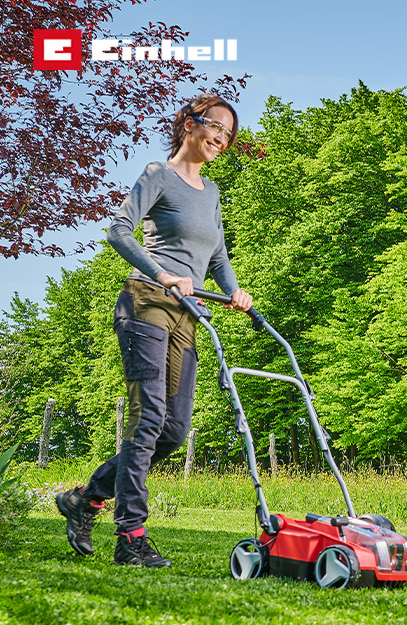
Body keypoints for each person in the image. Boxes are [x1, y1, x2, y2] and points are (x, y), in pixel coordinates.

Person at [54, 94, 254, 567]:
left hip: (188, 313)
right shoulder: (156, 175)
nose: (222, 138)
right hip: (147, 301)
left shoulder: (212, 192)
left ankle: (85, 497)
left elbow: (218, 256)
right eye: (216, 127)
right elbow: (119, 231)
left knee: (173, 431)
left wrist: (236, 292)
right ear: (189, 124)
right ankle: (131, 539)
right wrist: (162, 272)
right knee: (148, 419)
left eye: (229, 133)